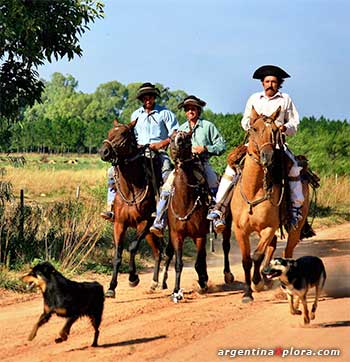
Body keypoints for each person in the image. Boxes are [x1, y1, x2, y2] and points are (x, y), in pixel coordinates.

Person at [207, 65, 303, 232]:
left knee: (293, 168)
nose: (270, 84)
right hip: (253, 144)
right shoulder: (254, 99)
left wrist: (284, 128)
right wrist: (252, 124)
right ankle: (219, 207)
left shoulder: (285, 99)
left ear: (279, 83)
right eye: (267, 81)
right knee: (231, 167)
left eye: (273, 81)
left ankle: (295, 210)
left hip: (277, 145)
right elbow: (244, 120)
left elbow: (294, 123)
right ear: (262, 83)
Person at [150, 95, 226, 237]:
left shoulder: (208, 126)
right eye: (188, 109)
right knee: (167, 187)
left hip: (201, 163)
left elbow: (222, 145)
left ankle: (217, 218)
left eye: (193, 108)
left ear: (198, 110)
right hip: (182, 166)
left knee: (213, 183)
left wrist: (205, 148)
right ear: (185, 112)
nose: (190, 111)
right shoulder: (181, 129)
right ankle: (159, 221)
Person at [101, 82, 179, 221]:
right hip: (139, 151)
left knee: (166, 170)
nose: (147, 100)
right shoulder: (135, 115)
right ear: (141, 99)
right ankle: (111, 207)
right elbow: (131, 136)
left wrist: (161, 143)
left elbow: (174, 134)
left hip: (158, 151)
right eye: (145, 98)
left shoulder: (165, 114)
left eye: (150, 97)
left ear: (154, 98)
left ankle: (162, 208)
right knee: (112, 172)